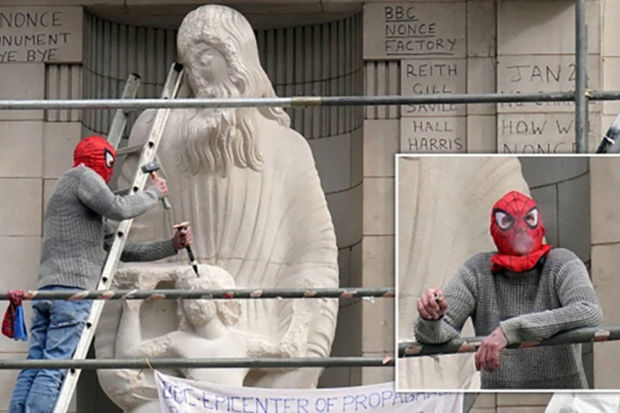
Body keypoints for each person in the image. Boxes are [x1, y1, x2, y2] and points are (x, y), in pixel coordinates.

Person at [96, 5, 338, 402]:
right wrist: (117, 346)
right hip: (170, 338)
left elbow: (314, 253)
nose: (196, 74)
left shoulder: (289, 148)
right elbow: (126, 245)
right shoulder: (156, 130)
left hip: (262, 334)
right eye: (188, 63)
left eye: (206, 58)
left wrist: (310, 344)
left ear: (235, 58)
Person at [9, 136, 193, 413]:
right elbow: (119, 208)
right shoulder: (82, 176)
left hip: (50, 289)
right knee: (55, 366)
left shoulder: (74, 193)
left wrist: (171, 245)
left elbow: (122, 250)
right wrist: (154, 193)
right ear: (104, 161)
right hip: (73, 291)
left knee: (37, 363)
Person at [415, 190, 603, 389]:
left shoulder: (561, 261)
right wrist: (431, 317)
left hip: (563, 395)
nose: (520, 228)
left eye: (528, 219)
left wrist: (511, 330)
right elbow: (435, 337)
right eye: (507, 221)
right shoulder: (477, 270)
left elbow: (588, 311)